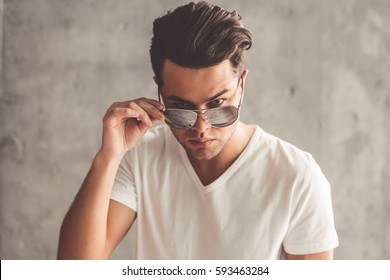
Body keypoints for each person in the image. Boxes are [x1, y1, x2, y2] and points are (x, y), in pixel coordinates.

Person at [57, 1, 338, 260]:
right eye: (181, 108)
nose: (201, 128)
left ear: (241, 86)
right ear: (160, 91)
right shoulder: (140, 155)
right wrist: (108, 157)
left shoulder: (297, 177)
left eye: (218, 105)